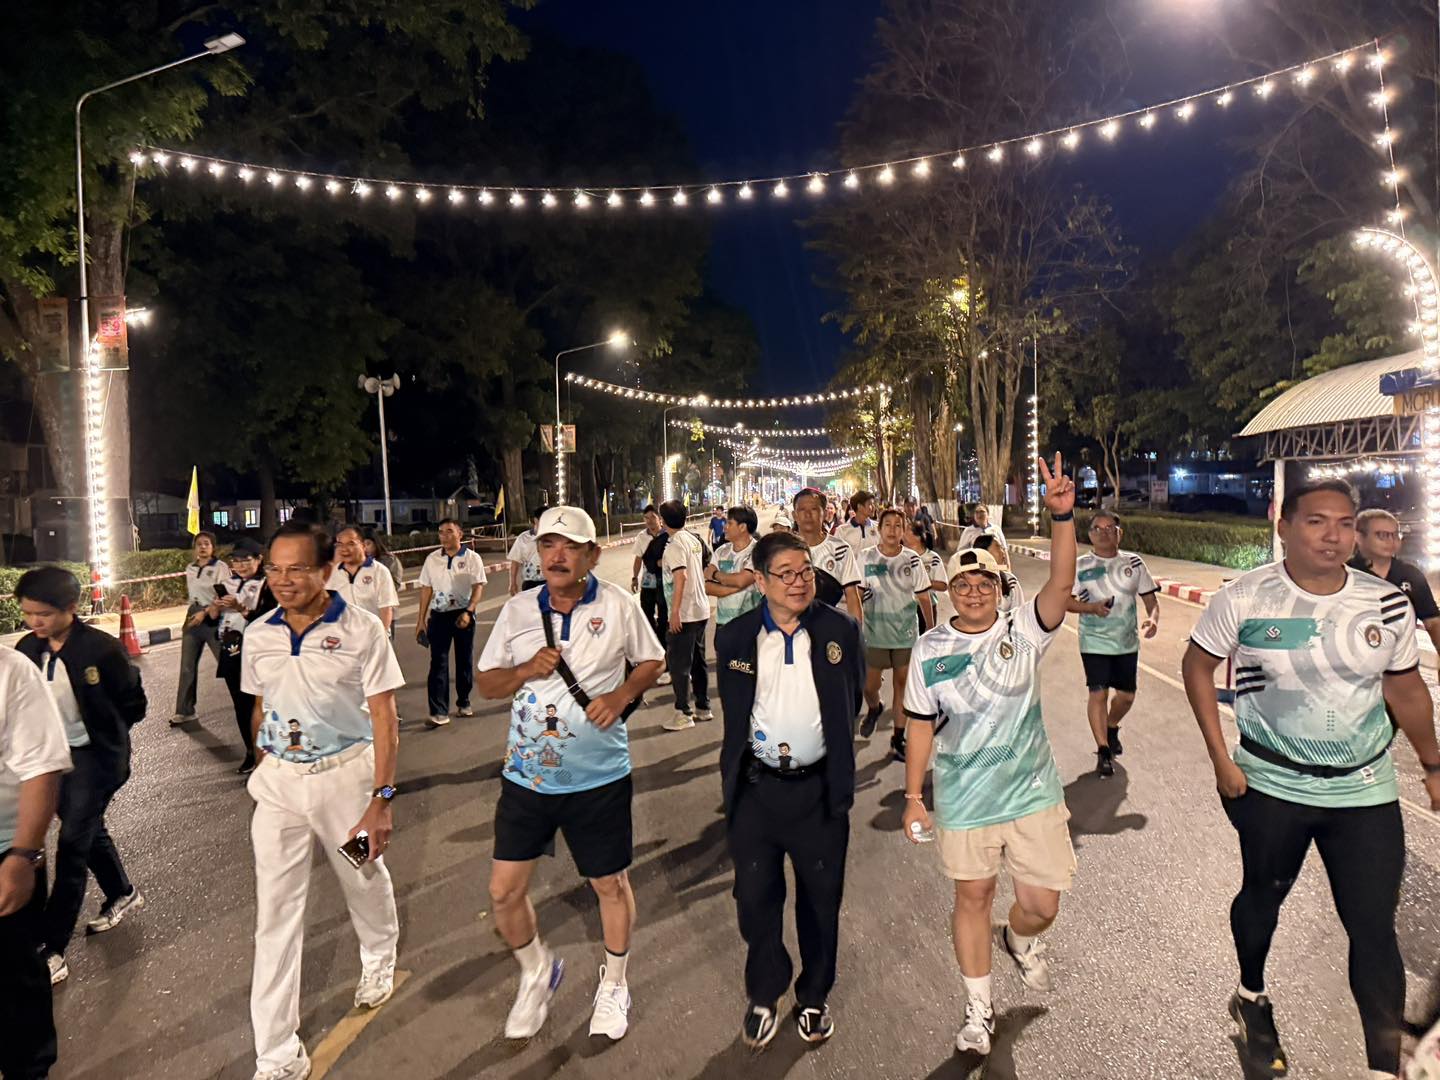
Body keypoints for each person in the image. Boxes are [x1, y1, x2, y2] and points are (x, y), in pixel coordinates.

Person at [1181, 478, 1440, 1080]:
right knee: (1262, 899)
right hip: (1271, 784)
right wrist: (1221, 758)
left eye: (1345, 523)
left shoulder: (1386, 603)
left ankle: (1383, 1070)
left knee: (1373, 928)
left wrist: (1432, 764)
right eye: (1317, 521)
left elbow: (1406, 690)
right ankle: (1251, 995)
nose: (1334, 536)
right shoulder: (1246, 598)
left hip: (1365, 788)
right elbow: (1196, 666)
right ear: (1285, 528)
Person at [902, 453, 1079, 1061]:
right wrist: (914, 797)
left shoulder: (1021, 631)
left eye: (984, 584)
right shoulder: (930, 649)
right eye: (963, 584)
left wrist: (1062, 517)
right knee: (971, 897)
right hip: (965, 797)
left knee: (1042, 904)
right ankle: (979, 1007)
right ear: (950, 590)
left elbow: (1060, 585)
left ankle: (1021, 940)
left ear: (1000, 591)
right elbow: (919, 725)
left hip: (1031, 793)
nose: (974, 591)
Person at [476, 506, 663, 1042]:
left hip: (599, 776)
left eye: (570, 546)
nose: (556, 556)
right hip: (527, 778)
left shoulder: (618, 604)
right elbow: (487, 684)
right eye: (547, 544)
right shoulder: (516, 610)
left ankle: (615, 984)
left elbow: (652, 661)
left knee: (609, 883)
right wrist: (523, 670)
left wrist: (621, 696)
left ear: (592, 555)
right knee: (503, 892)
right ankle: (536, 970)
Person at [242, 522, 406, 1080]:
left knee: (362, 873)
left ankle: (378, 956)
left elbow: (385, 717)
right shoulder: (259, 633)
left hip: (347, 783)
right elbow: (260, 707)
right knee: (275, 915)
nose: (283, 580)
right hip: (280, 790)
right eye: (274, 569)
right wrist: (264, 763)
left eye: (297, 569)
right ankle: (276, 1053)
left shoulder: (362, 630)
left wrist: (381, 801)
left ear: (326, 571)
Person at [715, 531, 865, 1048]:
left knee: (821, 902)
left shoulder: (840, 630)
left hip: (818, 793)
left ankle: (814, 996)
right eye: (785, 574)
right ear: (760, 581)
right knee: (755, 899)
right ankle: (765, 990)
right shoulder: (734, 638)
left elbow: (851, 699)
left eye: (805, 572)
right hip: (756, 792)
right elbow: (736, 712)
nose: (799, 582)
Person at [15, 567, 148, 986]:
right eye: (28, 613)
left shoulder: (102, 649)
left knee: (72, 845)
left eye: (44, 614)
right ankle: (122, 892)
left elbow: (134, 703)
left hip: (96, 759)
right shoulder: (26, 649)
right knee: (87, 830)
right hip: (50, 759)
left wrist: (107, 734)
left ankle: (51, 947)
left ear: (71, 608)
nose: (35, 622)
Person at [0, 646, 69, 1079]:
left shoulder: (11, 673)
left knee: (13, 983)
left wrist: (23, 854)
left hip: (5, 856)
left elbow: (42, 768)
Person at [1065, 510, 1159, 778]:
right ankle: (1103, 750)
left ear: (1120, 533)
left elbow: (1151, 601)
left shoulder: (1134, 563)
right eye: (1098, 528)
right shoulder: (1080, 566)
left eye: (1110, 529)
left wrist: (1153, 619)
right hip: (1093, 641)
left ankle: (1111, 725)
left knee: (1127, 696)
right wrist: (1091, 608)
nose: (1104, 533)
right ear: (1090, 534)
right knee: (1098, 693)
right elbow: (1066, 601)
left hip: (1126, 643)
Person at [858, 509, 935, 757]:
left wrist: (930, 630)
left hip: (905, 633)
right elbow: (856, 595)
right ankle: (874, 707)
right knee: (869, 685)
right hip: (874, 633)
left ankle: (898, 737)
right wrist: (854, 627)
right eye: (887, 525)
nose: (892, 530)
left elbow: (924, 597)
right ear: (879, 529)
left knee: (902, 683)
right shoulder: (866, 557)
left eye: (898, 525)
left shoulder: (912, 560)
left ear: (903, 530)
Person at [417, 518, 487, 727]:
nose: (444, 536)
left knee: (464, 659)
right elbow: (426, 589)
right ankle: (439, 712)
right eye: (441, 532)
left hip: (463, 615)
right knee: (438, 662)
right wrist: (420, 620)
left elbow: (478, 586)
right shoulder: (432, 559)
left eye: (449, 531)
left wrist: (469, 611)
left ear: (460, 534)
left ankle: (463, 701)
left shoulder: (472, 558)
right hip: (439, 615)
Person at [209, 537, 268, 773]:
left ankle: (267, 752)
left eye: (246, 560)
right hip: (231, 649)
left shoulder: (267, 584)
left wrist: (240, 608)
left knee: (260, 705)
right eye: (236, 560)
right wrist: (216, 606)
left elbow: (266, 617)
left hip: (257, 651)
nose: (240, 565)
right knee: (241, 706)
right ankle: (250, 752)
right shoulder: (228, 583)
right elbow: (214, 617)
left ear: (259, 559)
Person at [1350, 508, 1440, 656]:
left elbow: (1432, 622)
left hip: (1401, 664)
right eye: (1382, 535)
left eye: (1395, 535)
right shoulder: (1343, 574)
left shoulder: (1411, 575)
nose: (1391, 541)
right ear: (1359, 537)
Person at [658, 500, 713, 730]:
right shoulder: (693, 539)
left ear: (663, 521)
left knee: (679, 665)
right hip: (701, 609)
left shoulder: (674, 545)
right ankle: (703, 707)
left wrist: (675, 612)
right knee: (699, 661)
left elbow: (681, 577)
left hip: (685, 613)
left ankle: (683, 713)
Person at [174, 531, 227, 725]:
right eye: (199, 544)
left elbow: (224, 596)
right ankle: (184, 710)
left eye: (207, 544)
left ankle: (248, 701)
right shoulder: (190, 568)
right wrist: (195, 612)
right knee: (187, 666)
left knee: (228, 664)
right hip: (192, 616)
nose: (203, 547)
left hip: (213, 617)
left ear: (213, 547)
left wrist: (204, 613)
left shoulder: (220, 568)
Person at [792, 488, 863, 623]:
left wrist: (856, 632)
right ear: (794, 515)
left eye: (814, 509)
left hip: (831, 627)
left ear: (824, 513)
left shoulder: (840, 549)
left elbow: (852, 596)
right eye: (802, 510)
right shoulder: (782, 550)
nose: (808, 515)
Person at [629, 505, 671, 683]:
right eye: (646, 518)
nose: (649, 521)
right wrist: (634, 578)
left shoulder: (668, 535)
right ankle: (652, 647)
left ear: (659, 518)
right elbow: (638, 559)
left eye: (652, 517)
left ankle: (664, 653)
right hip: (648, 583)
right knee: (646, 617)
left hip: (664, 583)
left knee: (664, 619)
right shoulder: (642, 537)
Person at [705, 505, 762, 629]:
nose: (724, 527)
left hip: (750, 624)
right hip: (723, 623)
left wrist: (715, 574)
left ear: (742, 527)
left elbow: (741, 580)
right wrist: (739, 586)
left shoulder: (758, 551)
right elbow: (707, 587)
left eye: (729, 523)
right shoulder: (721, 551)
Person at [972, 535, 1023, 615]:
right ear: (985, 553)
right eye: (998, 547)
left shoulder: (1010, 580)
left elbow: (1019, 613)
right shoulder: (969, 582)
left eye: (1002, 548)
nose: (1003, 552)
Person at [508, 509, 544, 596]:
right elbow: (515, 561)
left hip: (549, 582)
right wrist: (512, 583)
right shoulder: (523, 538)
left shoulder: (553, 537)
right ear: (536, 520)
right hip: (530, 583)